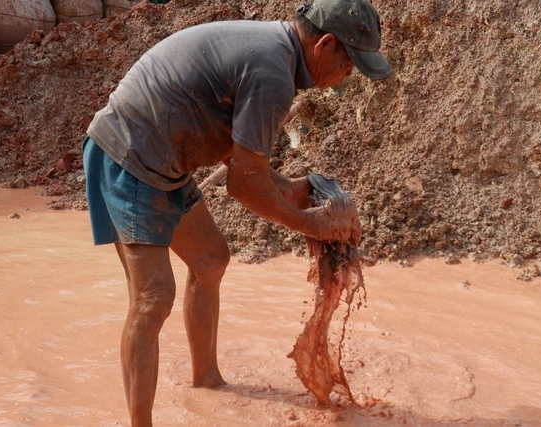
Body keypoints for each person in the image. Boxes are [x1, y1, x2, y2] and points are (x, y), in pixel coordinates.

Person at [82, 0, 392, 425]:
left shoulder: (272, 54)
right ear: (325, 44)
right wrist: (312, 223)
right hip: (129, 157)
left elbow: (243, 159)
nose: (348, 76)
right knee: (153, 300)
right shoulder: (273, 75)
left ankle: (207, 380)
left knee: (210, 259)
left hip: (165, 157)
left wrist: (294, 191)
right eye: (351, 63)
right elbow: (245, 186)